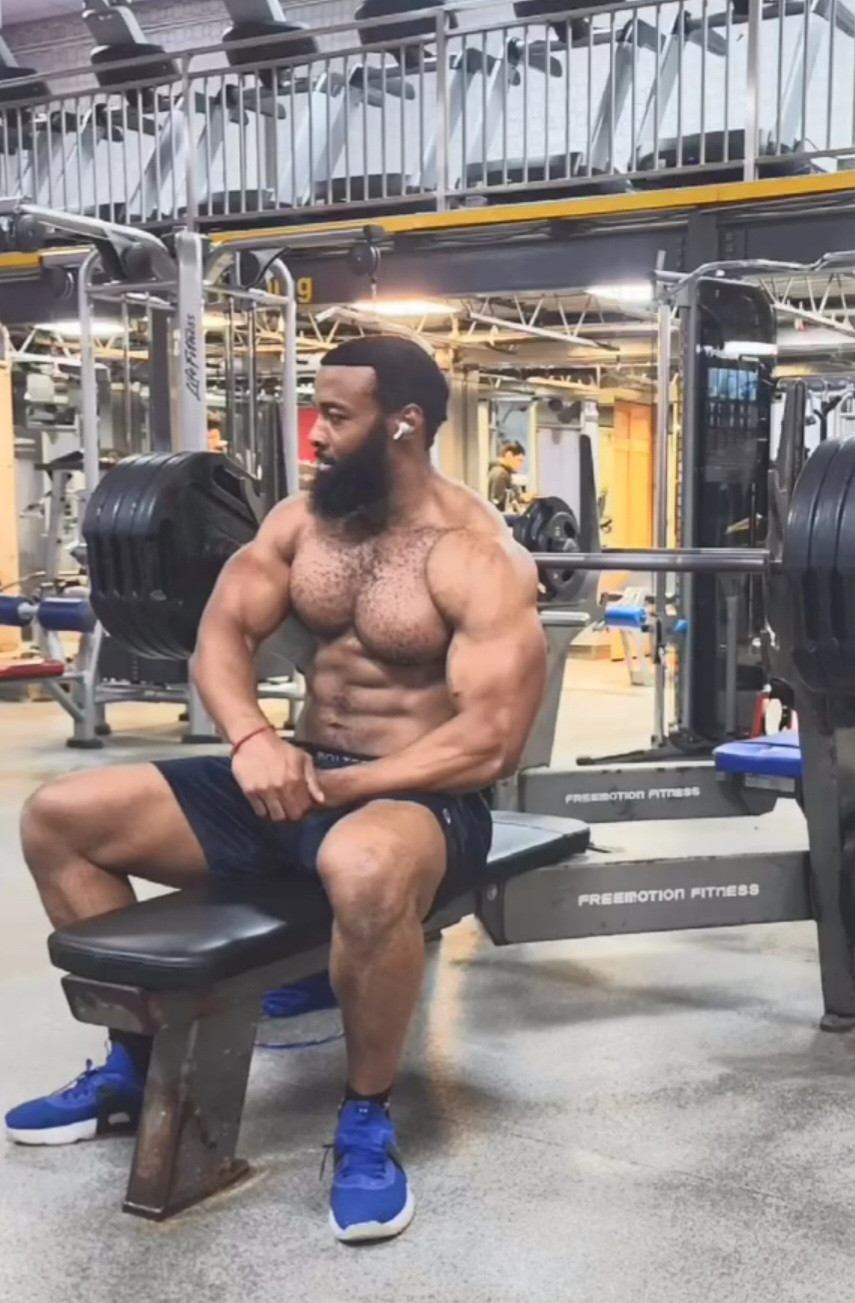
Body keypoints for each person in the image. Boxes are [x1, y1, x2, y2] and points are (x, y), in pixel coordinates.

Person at [4, 336, 548, 1245]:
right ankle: (134, 1069)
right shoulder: (302, 525)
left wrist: (343, 787)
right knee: (61, 818)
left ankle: (365, 1118)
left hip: (420, 796)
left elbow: (490, 741)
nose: (314, 435)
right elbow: (222, 633)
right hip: (297, 774)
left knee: (366, 867)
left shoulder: (476, 553)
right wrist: (254, 738)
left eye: (335, 416)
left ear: (404, 424)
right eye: (315, 412)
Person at [487, 440, 526, 513]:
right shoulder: (500, 474)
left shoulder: (504, 473)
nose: (521, 465)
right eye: (519, 460)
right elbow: (499, 506)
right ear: (509, 455)